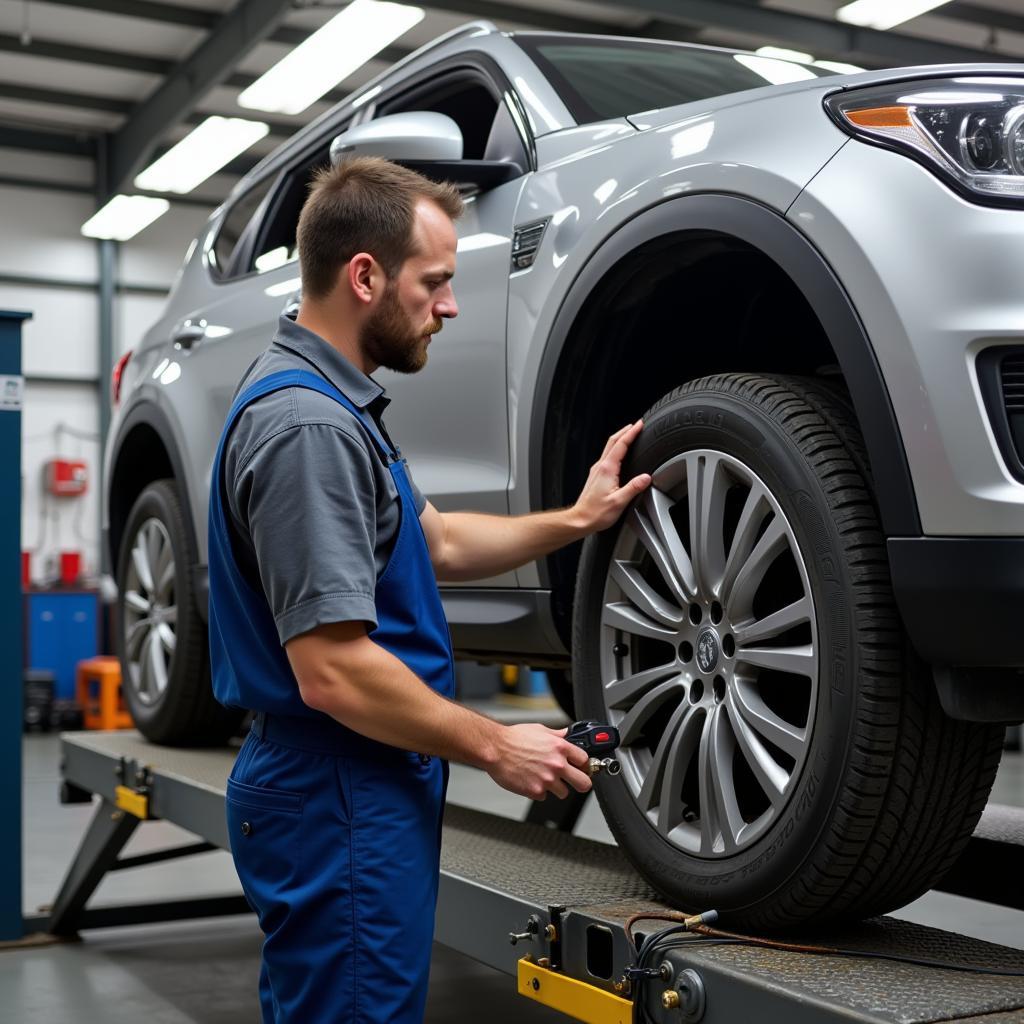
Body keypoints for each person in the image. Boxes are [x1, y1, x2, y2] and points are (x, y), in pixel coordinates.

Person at [207, 156, 652, 1024]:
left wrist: (578, 519)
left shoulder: (335, 411)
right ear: (366, 276)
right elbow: (331, 671)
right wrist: (494, 744)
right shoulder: (307, 429)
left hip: (351, 777)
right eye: (436, 282)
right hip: (337, 783)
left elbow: (435, 538)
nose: (449, 307)